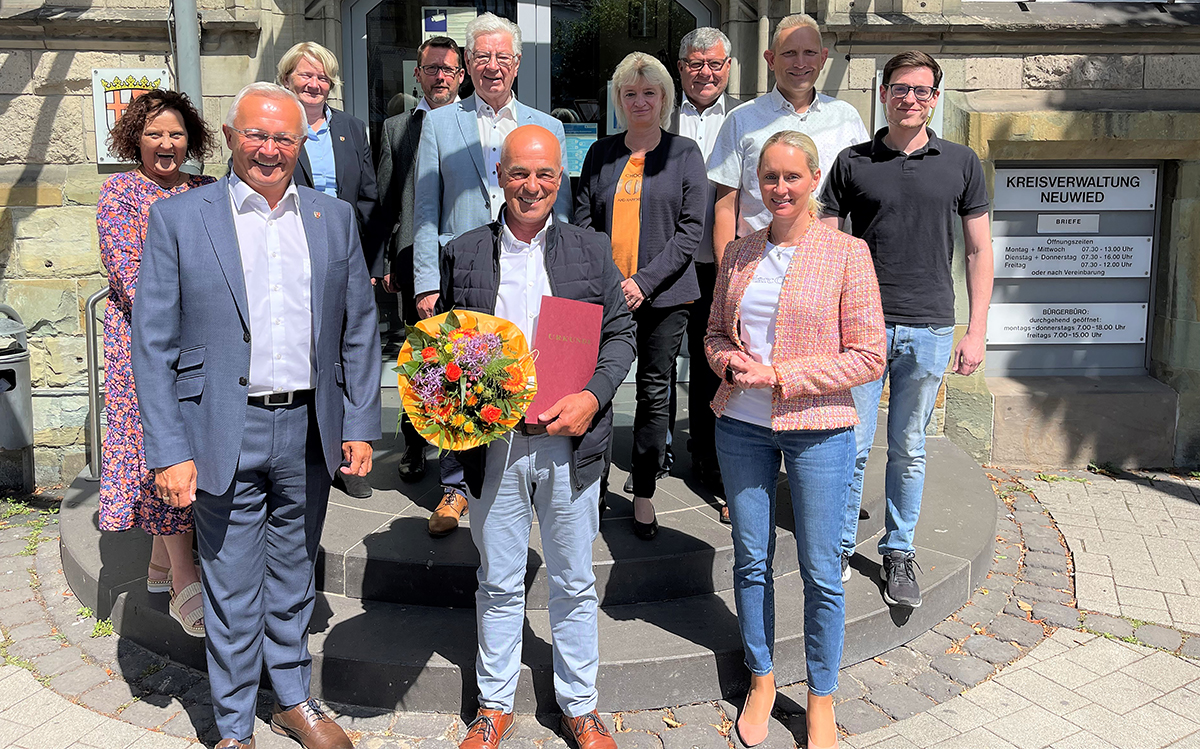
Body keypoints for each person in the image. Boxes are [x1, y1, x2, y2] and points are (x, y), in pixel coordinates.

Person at [132, 82, 381, 749]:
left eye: (284, 138)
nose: (269, 149)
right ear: (230, 133)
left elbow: (359, 328)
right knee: (233, 586)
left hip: (307, 430)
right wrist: (167, 448)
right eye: (256, 134)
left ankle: (293, 699)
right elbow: (151, 343)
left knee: (296, 577)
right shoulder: (183, 218)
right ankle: (235, 727)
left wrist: (359, 423)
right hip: (222, 430)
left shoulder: (332, 218)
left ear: (302, 144)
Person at [438, 124, 635, 749]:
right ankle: (494, 706)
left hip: (568, 443)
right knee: (498, 578)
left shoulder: (589, 249)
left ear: (561, 179)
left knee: (574, 580)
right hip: (492, 446)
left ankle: (579, 704)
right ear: (499, 175)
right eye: (520, 173)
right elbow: (448, 351)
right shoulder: (465, 251)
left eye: (545, 174)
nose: (532, 186)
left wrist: (592, 396)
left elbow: (620, 338)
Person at [706, 130, 884, 749]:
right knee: (751, 559)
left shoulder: (846, 254)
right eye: (768, 177)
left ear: (813, 180)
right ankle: (760, 677)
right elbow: (713, 337)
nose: (779, 188)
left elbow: (868, 357)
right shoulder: (739, 253)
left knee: (820, 570)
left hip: (819, 430)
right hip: (742, 427)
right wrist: (730, 364)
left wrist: (780, 373)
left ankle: (821, 696)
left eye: (791, 177)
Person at [819, 51, 993, 607]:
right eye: (900, 88)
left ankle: (898, 552)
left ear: (935, 98)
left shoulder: (961, 163)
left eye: (921, 90)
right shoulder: (852, 162)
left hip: (931, 325)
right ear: (883, 93)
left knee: (910, 446)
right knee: (852, 444)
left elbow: (979, 249)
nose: (910, 98)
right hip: (861, 329)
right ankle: (842, 545)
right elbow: (825, 247)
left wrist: (977, 329)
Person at [413, 12, 572, 537]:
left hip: (528, 263)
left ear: (518, 63)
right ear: (467, 65)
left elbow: (561, 206)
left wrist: (565, 280)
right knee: (462, 379)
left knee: (526, 365)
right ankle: (457, 488)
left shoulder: (547, 126)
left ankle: (529, 479)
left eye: (503, 56)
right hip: (462, 272)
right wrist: (426, 280)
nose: (493, 66)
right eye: (482, 56)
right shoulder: (438, 123)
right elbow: (425, 210)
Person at [97, 89, 215, 639]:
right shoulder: (120, 194)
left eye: (176, 134)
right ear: (135, 140)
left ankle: (159, 563)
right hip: (142, 345)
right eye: (154, 134)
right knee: (160, 452)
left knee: (187, 447)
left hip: (201, 344)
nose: (167, 145)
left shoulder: (207, 190)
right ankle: (184, 575)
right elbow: (131, 276)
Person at [575, 52, 706, 540]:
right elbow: (584, 221)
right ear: (619, 101)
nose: (640, 101)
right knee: (595, 388)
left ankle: (645, 489)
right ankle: (590, 482)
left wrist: (643, 282)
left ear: (665, 98)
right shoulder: (599, 154)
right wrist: (612, 282)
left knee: (654, 392)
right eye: (630, 94)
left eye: (649, 92)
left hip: (665, 296)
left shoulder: (685, 153)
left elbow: (691, 230)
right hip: (605, 294)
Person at [278, 41, 380, 500]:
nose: (314, 84)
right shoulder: (277, 128)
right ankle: (309, 452)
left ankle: (347, 456)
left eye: (322, 77)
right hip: (294, 258)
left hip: (347, 256)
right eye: (305, 76)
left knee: (350, 351)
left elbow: (369, 199)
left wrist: (368, 261)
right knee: (311, 349)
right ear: (288, 80)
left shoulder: (352, 129)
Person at [373, 35, 466, 484]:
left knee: (464, 354)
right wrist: (388, 260)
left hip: (467, 259)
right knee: (420, 357)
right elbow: (388, 200)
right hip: (414, 259)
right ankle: (414, 444)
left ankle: (463, 438)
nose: (440, 76)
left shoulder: (474, 122)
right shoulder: (395, 129)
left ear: (461, 75)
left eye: (449, 69)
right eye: (432, 68)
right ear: (418, 74)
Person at [707, 14, 868, 259]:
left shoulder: (846, 118)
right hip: (756, 260)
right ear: (770, 60)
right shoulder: (741, 119)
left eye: (810, 53)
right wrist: (725, 278)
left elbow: (860, 199)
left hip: (828, 261)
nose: (800, 63)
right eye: (789, 53)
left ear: (823, 58)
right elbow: (726, 205)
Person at [667, 27, 749, 510]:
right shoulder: (658, 113)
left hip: (723, 259)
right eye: (695, 64)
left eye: (714, 64)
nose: (705, 73)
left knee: (711, 362)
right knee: (655, 362)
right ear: (680, 68)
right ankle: (653, 451)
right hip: (666, 259)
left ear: (729, 67)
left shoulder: (745, 117)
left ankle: (708, 457)